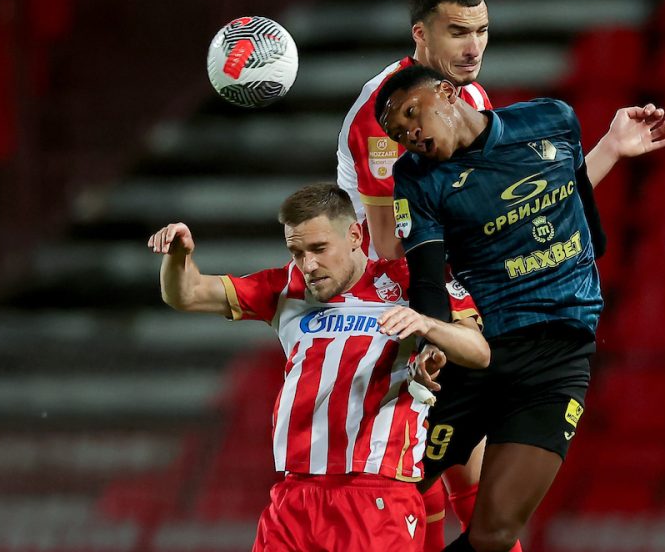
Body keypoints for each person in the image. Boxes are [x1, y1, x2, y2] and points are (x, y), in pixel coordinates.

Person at [336, 0, 665, 549]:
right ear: (421, 34)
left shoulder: (474, 103)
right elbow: (391, 250)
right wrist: (439, 331)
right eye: (458, 32)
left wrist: (609, 148)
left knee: (476, 504)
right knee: (400, 489)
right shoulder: (386, 118)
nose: (474, 48)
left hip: (480, 314)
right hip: (393, 309)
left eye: (482, 32)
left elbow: (533, 206)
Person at [147, 182, 490, 552]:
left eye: (319, 249)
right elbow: (186, 294)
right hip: (293, 498)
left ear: (355, 235)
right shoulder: (288, 287)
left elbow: (478, 351)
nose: (308, 265)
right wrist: (178, 257)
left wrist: (427, 325)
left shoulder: (411, 283)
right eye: (297, 252)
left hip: (377, 493)